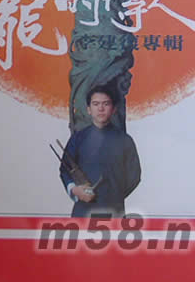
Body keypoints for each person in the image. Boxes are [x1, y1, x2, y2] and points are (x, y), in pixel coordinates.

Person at [60, 85, 141, 217]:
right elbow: (64, 170)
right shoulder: (78, 138)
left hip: (114, 211)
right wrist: (75, 190)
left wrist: (114, 194)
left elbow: (134, 176)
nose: (101, 108)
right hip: (83, 211)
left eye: (106, 104)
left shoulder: (125, 140)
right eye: (96, 104)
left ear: (113, 109)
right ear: (88, 109)